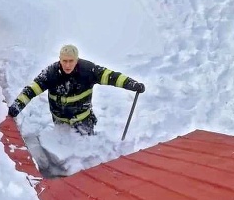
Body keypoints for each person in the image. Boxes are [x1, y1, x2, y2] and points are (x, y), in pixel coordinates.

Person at [7, 44, 145, 135]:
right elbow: (31, 90)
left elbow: (111, 77)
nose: (67, 65)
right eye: (64, 61)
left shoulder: (88, 71)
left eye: (71, 61)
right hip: (60, 124)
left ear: (76, 60)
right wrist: (17, 105)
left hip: (84, 122)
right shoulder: (51, 73)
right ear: (59, 60)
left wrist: (132, 84)